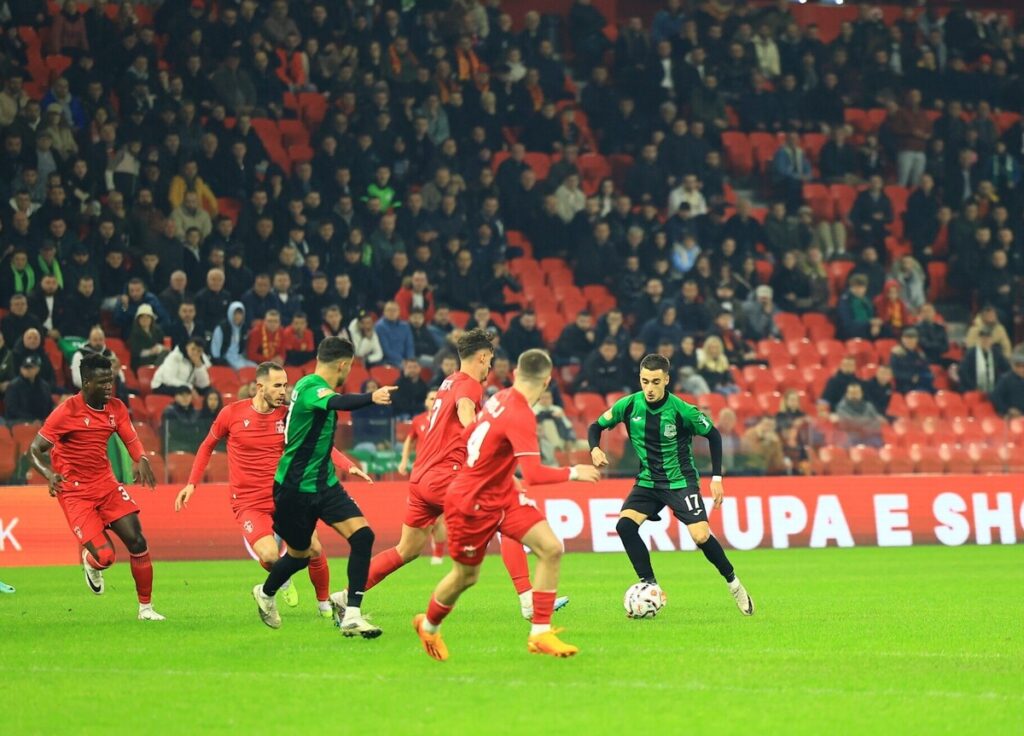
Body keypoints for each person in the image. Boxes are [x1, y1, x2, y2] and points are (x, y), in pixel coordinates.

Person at [336, 329, 567, 620]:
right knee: (507, 513)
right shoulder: (470, 385)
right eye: (490, 359)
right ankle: (527, 599)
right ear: (482, 357)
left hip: (421, 478)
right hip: (446, 475)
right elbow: (466, 414)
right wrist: (484, 441)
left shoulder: (449, 381)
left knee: (407, 549)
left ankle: (345, 595)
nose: (490, 366)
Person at [413, 349, 601, 661]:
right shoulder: (521, 413)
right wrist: (573, 472)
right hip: (471, 502)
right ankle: (429, 625)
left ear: (515, 374)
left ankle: (540, 633)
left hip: (503, 494)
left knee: (550, 548)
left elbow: (471, 434)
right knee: (465, 577)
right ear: (547, 382)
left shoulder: (499, 397)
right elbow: (535, 475)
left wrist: (496, 470)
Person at [175, 361, 371, 617]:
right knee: (269, 555)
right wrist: (191, 483)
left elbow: (316, 444)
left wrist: (348, 465)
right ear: (260, 387)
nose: (283, 391)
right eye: (277, 386)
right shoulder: (231, 414)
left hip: (285, 496)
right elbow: (206, 446)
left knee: (314, 548)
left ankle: (324, 603)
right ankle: (283, 579)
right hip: (248, 502)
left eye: (285, 386)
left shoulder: (288, 416)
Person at [251, 338, 396, 637]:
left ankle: (351, 613)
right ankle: (265, 592)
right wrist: (372, 397)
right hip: (294, 489)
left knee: (363, 536)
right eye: (350, 366)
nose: (349, 371)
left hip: (325, 484)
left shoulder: (314, 388)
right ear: (343, 365)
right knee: (300, 555)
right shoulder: (310, 387)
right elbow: (336, 402)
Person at [588, 354, 752, 616]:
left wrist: (716, 478)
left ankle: (734, 584)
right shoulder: (628, 405)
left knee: (700, 536)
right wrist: (595, 448)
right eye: (645, 381)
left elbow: (713, 435)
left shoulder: (681, 410)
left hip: (680, 482)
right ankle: (650, 585)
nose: (649, 388)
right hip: (648, 482)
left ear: (666, 379)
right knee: (624, 526)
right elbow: (595, 426)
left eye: (655, 382)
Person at [28, 353, 161, 620]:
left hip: (106, 485)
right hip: (75, 493)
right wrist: (49, 474)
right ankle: (91, 562)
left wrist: (142, 458)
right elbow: (34, 450)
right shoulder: (66, 412)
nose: (109, 387)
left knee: (137, 540)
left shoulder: (116, 408)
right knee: (106, 556)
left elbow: (131, 439)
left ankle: (146, 609)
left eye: (110, 381)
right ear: (86, 383)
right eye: (102, 382)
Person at [396, 389, 446, 565]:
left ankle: (438, 554)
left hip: (439, 473)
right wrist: (404, 460)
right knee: (423, 517)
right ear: (426, 401)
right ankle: (413, 548)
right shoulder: (418, 421)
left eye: (437, 398)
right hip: (420, 472)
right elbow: (409, 440)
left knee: (439, 519)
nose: (434, 401)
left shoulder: (446, 420)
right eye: (431, 398)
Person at [5, 355, 54, 423]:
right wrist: (32, 420)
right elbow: (13, 410)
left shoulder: (44, 386)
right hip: (19, 423)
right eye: (25, 367)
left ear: (37, 369)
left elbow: (49, 407)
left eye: (31, 367)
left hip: (41, 422)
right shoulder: (13, 386)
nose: (27, 370)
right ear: (21, 369)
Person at [889, 327, 935, 393]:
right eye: (907, 339)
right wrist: (910, 377)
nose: (909, 341)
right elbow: (894, 371)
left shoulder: (919, 353)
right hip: (904, 385)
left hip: (920, 382)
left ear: (916, 340)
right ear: (902, 340)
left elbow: (926, 369)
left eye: (912, 339)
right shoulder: (897, 353)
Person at [128, 303, 168, 369]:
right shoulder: (134, 334)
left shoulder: (157, 331)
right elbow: (136, 353)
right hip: (141, 362)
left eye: (147, 317)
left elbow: (164, 343)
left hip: (157, 358)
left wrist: (160, 348)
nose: (145, 319)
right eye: (142, 317)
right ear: (138, 319)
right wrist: (150, 351)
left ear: (151, 319)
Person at [991, 351, 1024, 418]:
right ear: (1013, 366)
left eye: (1023, 366)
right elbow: (995, 397)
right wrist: (1007, 410)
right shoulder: (1005, 380)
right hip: (1012, 417)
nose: (1021, 369)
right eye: (1018, 366)